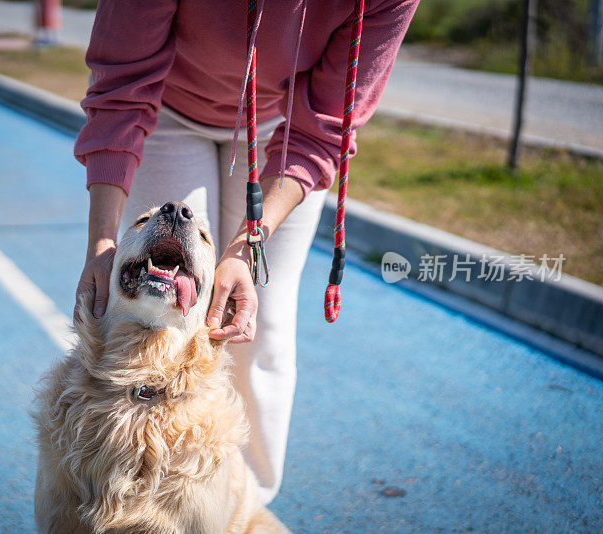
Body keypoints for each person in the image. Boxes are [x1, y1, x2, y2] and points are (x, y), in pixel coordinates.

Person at [73, 0, 419, 504]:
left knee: (262, 323)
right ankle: (139, 488)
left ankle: (246, 503)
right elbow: (121, 92)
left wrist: (244, 247)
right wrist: (102, 244)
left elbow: (322, 128)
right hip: (165, 109)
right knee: (164, 305)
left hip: (284, 132)